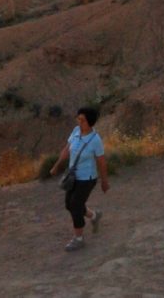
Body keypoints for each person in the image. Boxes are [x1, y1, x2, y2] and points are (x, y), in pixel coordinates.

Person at [49, 107, 109, 252]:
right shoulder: (76, 131)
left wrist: (104, 182)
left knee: (75, 204)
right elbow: (66, 150)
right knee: (69, 204)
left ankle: (79, 239)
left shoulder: (95, 140)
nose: (79, 122)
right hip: (73, 176)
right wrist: (56, 166)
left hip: (87, 178)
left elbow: (101, 162)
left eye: (82, 120)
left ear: (90, 122)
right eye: (78, 119)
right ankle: (94, 215)